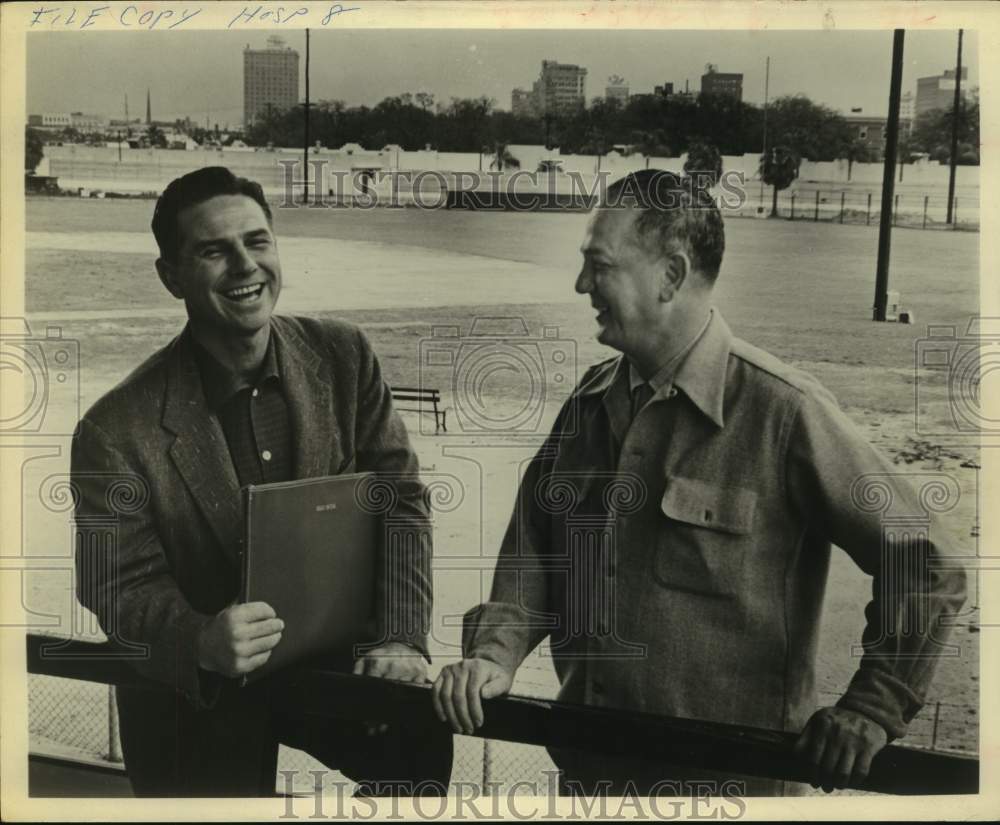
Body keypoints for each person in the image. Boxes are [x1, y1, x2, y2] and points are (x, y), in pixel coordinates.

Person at [431, 169, 966, 796]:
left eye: (598, 266)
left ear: (671, 275)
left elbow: (928, 561)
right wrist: (495, 655)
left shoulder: (783, 412)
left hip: (733, 795)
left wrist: (874, 706)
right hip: (590, 783)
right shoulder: (588, 403)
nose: (582, 285)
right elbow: (537, 551)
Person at [72, 166, 452, 796]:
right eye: (214, 251)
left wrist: (401, 638)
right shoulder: (114, 429)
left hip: (328, 660)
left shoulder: (344, 355)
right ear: (172, 276)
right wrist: (198, 639)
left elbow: (401, 502)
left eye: (257, 241)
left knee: (419, 734)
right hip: (197, 689)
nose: (245, 267)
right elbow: (114, 584)